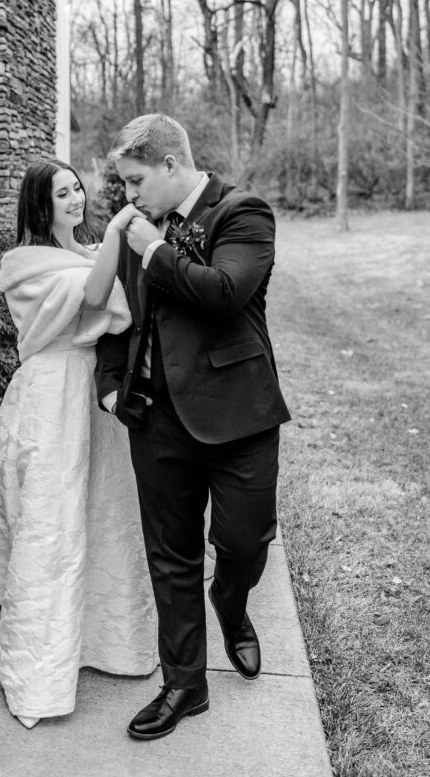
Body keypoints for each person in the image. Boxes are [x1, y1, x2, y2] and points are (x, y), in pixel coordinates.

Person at [0, 160, 157, 729]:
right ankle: (43, 666)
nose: (76, 198)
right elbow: (98, 292)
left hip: (95, 396)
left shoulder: (84, 251)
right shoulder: (21, 264)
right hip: (52, 392)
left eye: (78, 187)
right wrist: (112, 234)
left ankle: (109, 641)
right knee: (51, 518)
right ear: (40, 204)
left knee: (103, 511)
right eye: (63, 193)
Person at [95, 114, 291, 741]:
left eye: (135, 181)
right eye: (124, 184)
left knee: (243, 542)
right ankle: (185, 685)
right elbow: (118, 316)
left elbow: (224, 291)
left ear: (171, 166)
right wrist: (108, 386)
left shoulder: (242, 212)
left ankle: (231, 603)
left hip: (238, 415)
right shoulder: (135, 228)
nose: (128, 196)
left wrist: (153, 248)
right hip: (154, 418)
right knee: (171, 557)